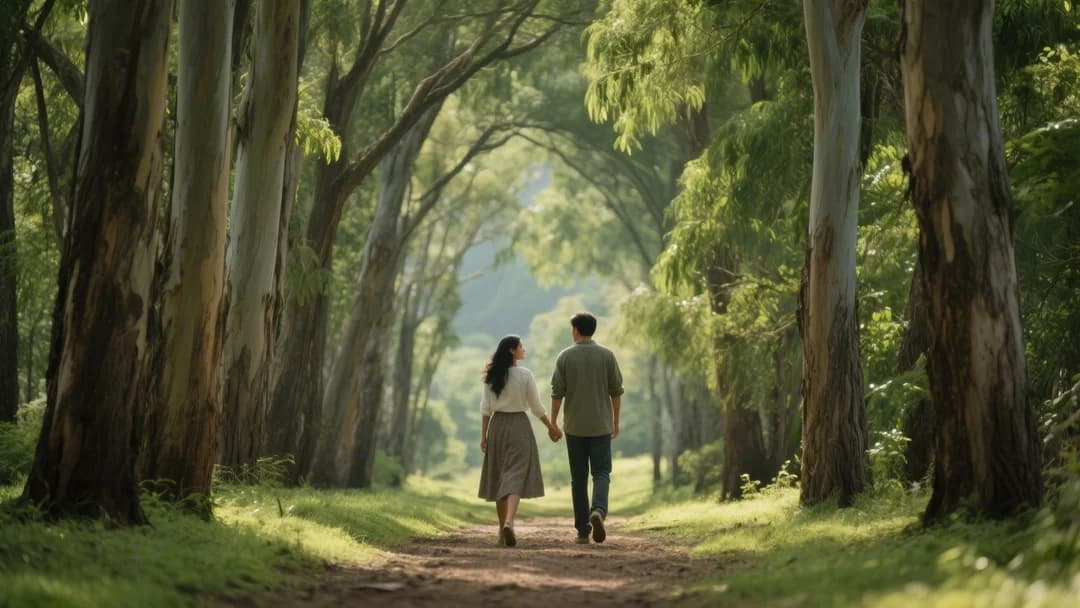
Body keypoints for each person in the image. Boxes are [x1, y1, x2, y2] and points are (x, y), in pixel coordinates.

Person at [478, 334, 562, 547]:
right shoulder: (525, 375)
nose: (524, 349)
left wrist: (484, 435)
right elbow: (536, 407)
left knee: (499, 476)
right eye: (521, 346)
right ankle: (509, 522)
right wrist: (551, 427)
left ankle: (500, 532)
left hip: (497, 427)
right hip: (519, 427)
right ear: (511, 351)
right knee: (516, 474)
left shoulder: (492, 376)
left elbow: (486, 409)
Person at [550, 311, 623, 544]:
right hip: (601, 426)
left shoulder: (564, 357)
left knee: (578, 478)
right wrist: (615, 421)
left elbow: (557, 393)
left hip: (574, 428)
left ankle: (583, 529)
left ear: (576, 330)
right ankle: (598, 511)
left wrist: (553, 422)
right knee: (601, 472)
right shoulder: (607, 355)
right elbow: (616, 392)